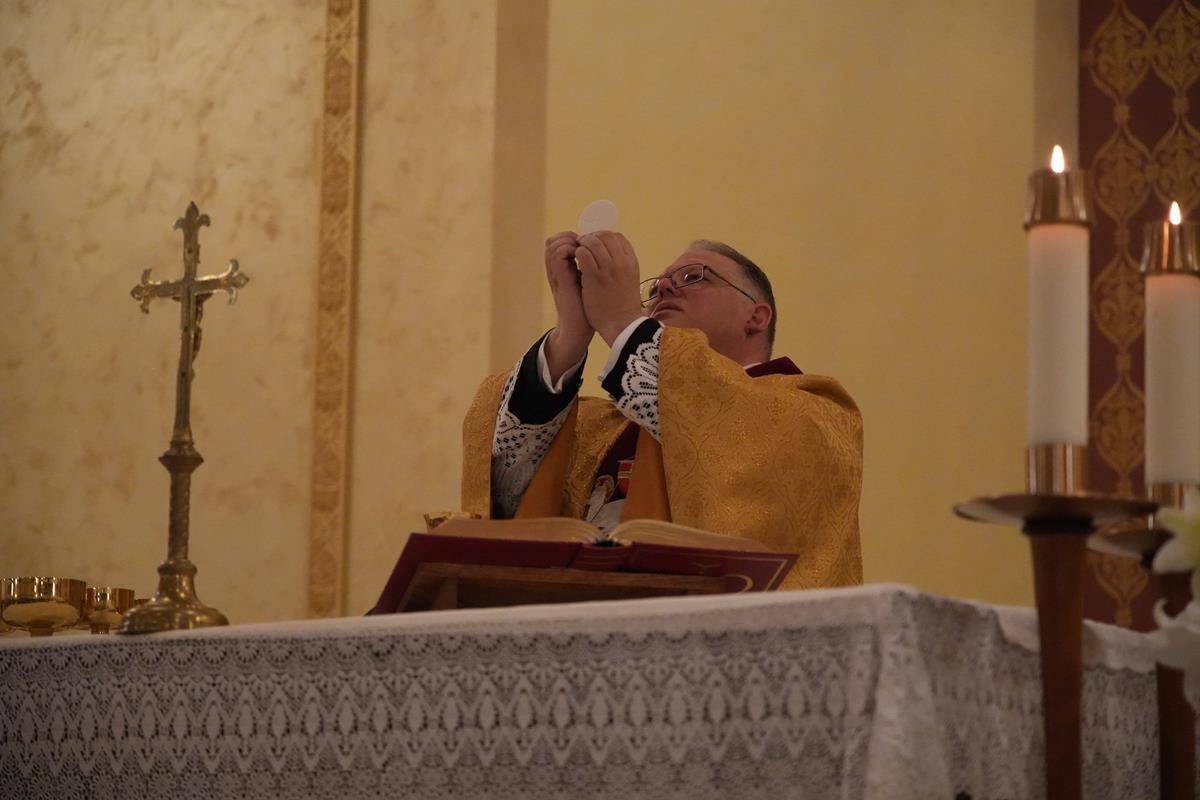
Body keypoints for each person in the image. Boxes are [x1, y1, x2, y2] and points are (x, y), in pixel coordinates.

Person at [460, 230, 863, 589]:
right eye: (654, 289)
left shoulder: (810, 412)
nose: (665, 290)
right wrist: (569, 338)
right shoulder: (608, 426)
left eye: (694, 278)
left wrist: (621, 320)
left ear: (756, 316)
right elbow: (509, 492)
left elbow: (714, 423)